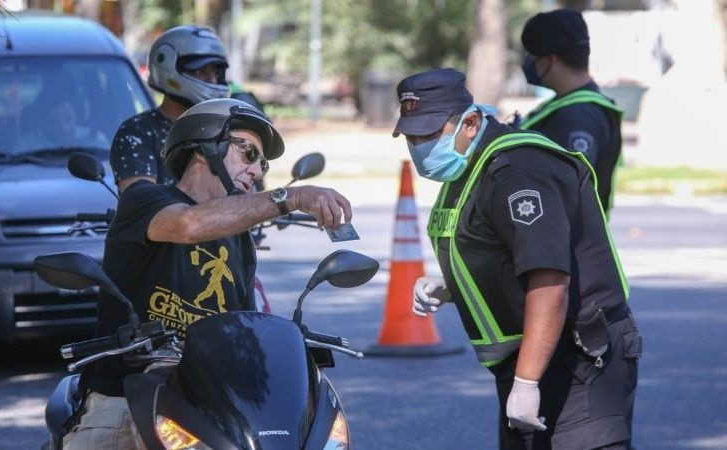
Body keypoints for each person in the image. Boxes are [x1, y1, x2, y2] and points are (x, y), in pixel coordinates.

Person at [62, 97, 352, 449]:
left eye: (263, 163)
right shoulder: (143, 200)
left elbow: (243, 327)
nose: (258, 171)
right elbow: (188, 224)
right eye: (249, 154)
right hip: (122, 396)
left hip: (202, 403)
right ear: (204, 149)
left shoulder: (240, 240)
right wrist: (289, 197)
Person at [394, 68, 641, 449]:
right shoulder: (470, 163)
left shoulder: (522, 171)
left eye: (428, 135)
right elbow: (502, 248)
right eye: (411, 137)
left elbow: (549, 281)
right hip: (536, 353)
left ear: (470, 123)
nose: (419, 146)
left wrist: (526, 382)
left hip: (578, 358)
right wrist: (453, 285)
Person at [517, 8, 623, 215]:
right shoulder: (567, 107)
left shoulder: (578, 117)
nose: (530, 64)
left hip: (564, 245)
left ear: (550, 61)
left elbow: (563, 198)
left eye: (534, 57)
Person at [110, 25, 231, 192]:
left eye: (216, 72)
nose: (212, 79)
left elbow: (250, 197)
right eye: (201, 70)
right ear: (168, 66)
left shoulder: (228, 129)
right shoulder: (139, 133)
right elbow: (141, 207)